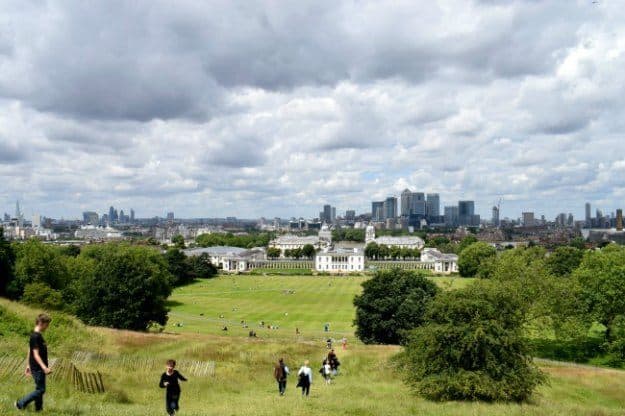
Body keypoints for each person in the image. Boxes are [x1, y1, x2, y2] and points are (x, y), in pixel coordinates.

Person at [16, 314, 52, 412]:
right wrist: (44, 367)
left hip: (36, 366)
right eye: (46, 325)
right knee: (41, 390)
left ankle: (38, 410)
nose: (47, 327)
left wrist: (28, 365)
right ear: (41, 323)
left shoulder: (38, 336)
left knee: (39, 388)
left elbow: (30, 350)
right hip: (38, 367)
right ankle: (20, 404)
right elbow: (35, 354)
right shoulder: (35, 336)